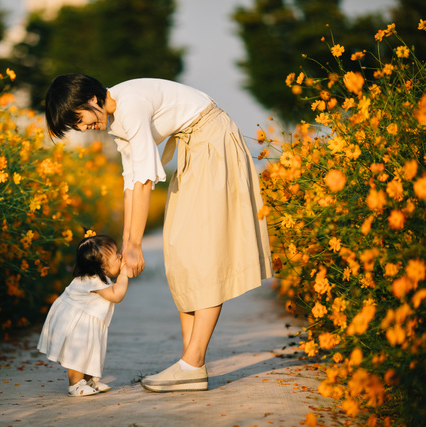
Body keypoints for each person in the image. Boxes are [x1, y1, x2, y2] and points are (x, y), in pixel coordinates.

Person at [45, 74, 273, 392]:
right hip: (195, 145)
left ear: (92, 101)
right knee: (179, 247)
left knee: (203, 252)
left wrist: (136, 244)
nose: (83, 129)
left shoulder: (130, 106)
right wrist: (127, 243)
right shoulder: (117, 120)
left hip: (212, 140)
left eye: (78, 120)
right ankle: (189, 364)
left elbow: (144, 181)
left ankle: (192, 364)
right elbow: (130, 181)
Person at [37, 234, 130, 397]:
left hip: (87, 319)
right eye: (116, 255)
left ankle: (87, 381)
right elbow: (116, 295)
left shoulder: (98, 276)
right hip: (75, 321)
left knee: (91, 351)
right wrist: (124, 274)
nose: (120, 257)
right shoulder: (91, 279)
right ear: (102, 267)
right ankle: (75, 385)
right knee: (78, 352)